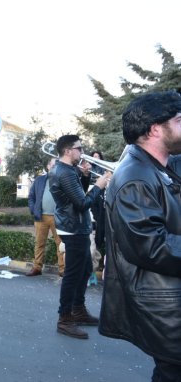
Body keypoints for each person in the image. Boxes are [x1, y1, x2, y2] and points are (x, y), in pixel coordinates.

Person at [99, 91, 181, 381]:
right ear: (155, 129)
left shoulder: (161, 166)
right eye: (179, 120)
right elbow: (151, 247)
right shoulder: (135, 176)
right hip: (165, 304)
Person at [49, 134, 110, 339]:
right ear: (68, 151)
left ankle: (78, 309)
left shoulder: (69, 170)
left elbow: (78, 196)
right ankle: (64, 319)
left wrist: (84, 177)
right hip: (73, 228)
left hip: (77, 225)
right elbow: (83, 203)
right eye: (79, 148)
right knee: (73, 275)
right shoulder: (64, 172)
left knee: (84, 270)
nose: (81, 152)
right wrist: (99, 186)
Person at [26, 158, 65, 277]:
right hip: (41, 217)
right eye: (53, 165)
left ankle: (63, 270)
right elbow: (31, 196)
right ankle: (37, 267)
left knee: (61, 244)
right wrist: (33, 209)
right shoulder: (39, 180)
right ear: (48, 166)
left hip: (58, 217)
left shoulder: (62, 180)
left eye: (57, 166)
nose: (55, 168)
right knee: (39, 243)